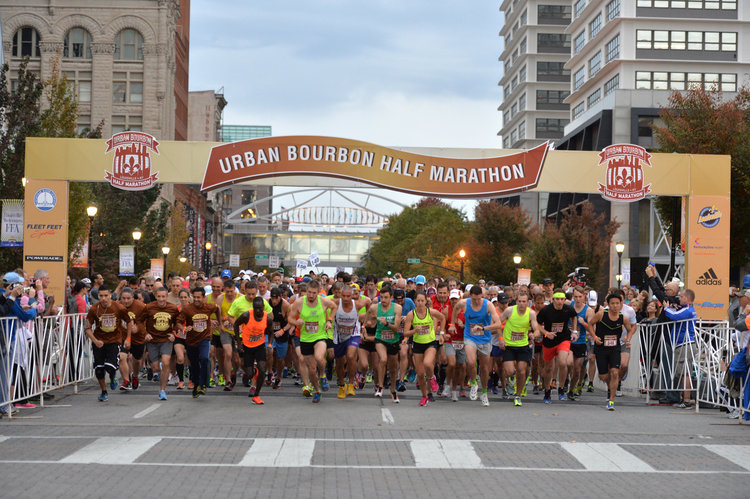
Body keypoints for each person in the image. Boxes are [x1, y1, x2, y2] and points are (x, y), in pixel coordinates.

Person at [450, 285, 502, 407]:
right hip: (470, 336)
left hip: (484, 338)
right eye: (474, 299)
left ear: (482, 297)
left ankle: (484, 392)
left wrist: (484, 328)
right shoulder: (464, 303)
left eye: (479, 299)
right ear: (470, 296)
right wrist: (451, 324)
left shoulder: (488, 305)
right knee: (471, 362)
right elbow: (455, 309)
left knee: (484, 368)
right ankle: (474, 383)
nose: (477, 301)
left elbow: (498, 324)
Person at [287, 280, 337, 403]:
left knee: (319, 358)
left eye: (313, 293)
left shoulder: (323, 301)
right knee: (312, 370)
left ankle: (323, 376)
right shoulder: (299, 303)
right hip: (305, 338)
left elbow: (334, 306)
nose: (310, 295)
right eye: (309, 292)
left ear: (318, 292)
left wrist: (329, 320)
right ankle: (317, 391)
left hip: (319, 336)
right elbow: (290, 318)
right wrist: (296, 322)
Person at [84, 285, 133, 402]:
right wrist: (95, 341)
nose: (104, 298)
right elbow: (87, 327)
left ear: (110, 295)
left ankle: (112, 376)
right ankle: (104, 391)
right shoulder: (94, 309)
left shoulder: (119, 308)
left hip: (114, 341)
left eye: (106, 295)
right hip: (99, 342)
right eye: (101, 296)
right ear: (98, 297)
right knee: (99, 370)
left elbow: (129, 322)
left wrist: (128, 338)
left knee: (110, 367)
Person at [589, 290, 635, 411]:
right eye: (612, 303)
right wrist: (594, 337)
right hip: (601, 348)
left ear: (621, 304)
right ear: (608, 304)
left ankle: (611, 400)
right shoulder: (601, 314)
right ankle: (611, 387)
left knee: (615, 372)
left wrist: (628, 338)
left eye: (617, 303)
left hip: (615, 348)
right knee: (604, 376)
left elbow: (630, 330)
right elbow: (590, 324)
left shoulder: (623, 318)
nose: (615, 306)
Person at [497, 290, 540, 406]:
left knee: (521, 371)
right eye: (519, 301)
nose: (521, 304)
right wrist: (501, 338)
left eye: (524, 301)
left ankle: (518, 395)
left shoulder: (531, 313)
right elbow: (497, 324)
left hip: (523, 346)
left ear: (527, 302)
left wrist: (533, 334)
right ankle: (511, 379)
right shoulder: (509, 311)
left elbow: (536, 328)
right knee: (510, 371)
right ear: (516, 302)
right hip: (509, 345)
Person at [403, 292, 446, 406]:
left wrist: (441, 334)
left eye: (422, 301)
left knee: (428, 363)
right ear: (415, 302)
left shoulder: (430, 312)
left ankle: (432, 378)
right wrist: (415, 330)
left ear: (426, 301)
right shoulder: (411, 314)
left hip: (430, 343)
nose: (420, 303)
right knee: (421, 374)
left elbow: (442, 317)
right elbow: (405, 332)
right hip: (417, 344)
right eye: (418, 301)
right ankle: (424, 396)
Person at [536, 288, 578, 403]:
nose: (560, 301)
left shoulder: (568, 309)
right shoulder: (546, 310)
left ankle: (561, 389)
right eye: (557, 299)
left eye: (562, 299)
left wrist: (574, 331)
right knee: (548, 368)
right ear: (553, 300)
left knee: (563, 362)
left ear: (565, 300)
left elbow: (574, 316)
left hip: (563, 338)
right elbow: (538, 324)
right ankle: (547, 391)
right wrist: (546, 333)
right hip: (549, 340)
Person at [178, 287, 221, 398]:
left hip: (205, 338)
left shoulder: (209, 307)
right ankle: (197, 384)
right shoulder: (187, 309)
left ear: (204, 297)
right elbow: (179, 322)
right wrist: (184, 328)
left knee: (205, 358)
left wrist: (219, 323)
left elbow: (218, 309)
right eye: (195, 297)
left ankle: (203, 384)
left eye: (199, 297)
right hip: (191, 341)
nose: (196, 299)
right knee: (194, 364)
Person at [143, 287, 180, 400]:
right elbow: (141, 322)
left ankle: (162, 390)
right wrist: (145, 333)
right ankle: (156, 369)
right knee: (155, 367)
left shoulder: (173, 308)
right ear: (155, 296)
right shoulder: (149, 307)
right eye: (159, 296)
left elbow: (177, 323)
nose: (161, 299)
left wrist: (174, 333)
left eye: (163, 296)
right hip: (152, 339)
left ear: (167, 297)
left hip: (166, 339)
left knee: (165, 362)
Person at [663, 288, 698, 409]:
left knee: (685, 373)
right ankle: (685, 399)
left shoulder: (688, 310)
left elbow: (674, 316)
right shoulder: (688, 309)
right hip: (682, 344)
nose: (679, 298)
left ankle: (687, 400)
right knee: (683, 372)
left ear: (687, 298)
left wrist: (666, 308)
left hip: (685, 344)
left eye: (681, 296)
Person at [367, 284, 402, 399]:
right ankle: (380, 387)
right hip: (380, 338)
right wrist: (365, 326)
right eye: (381, 297)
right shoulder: (375, 307)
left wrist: (386, 323)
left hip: (393, 339)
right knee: (383, 359)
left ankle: (392, 389)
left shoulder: (397, 308)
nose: (383, 300)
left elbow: (396, 328)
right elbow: (366, 317)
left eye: (386, 297)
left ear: (391, 297)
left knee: (392, 367)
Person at [332, 285, 367, 399]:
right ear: (340, 295)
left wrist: (365, 324)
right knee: (339, 362)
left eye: (348, 296)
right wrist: (327, 320)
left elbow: (370, 303)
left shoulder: (357, 304)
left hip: (353, 334)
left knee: (351, 356)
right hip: (339, 335)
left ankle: (351, 384)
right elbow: (321, 303)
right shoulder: (336, 303)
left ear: (352, 295)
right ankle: (342, 385)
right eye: (343, 296)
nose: (346, 299)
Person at [118, 287, 147, 390]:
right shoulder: (117, 305)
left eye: (128, 298)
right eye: (123, 298)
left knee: (137, 361)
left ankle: (135, 376)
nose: (126, 301)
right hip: (123, 336)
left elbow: (145, 321)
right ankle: (126, 380)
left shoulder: (140, 306)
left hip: (137, 337)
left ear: (133, 298)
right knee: (122, 357)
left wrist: (138, 327)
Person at [568, 287, 593, 400]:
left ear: (584, 296)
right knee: (569, 364)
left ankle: (571, 389)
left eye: (580, 297)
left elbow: (593, 330)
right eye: (575, 297)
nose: (578, 299)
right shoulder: (569, 306)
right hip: (568, 341)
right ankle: (565, 383)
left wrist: (584, 324)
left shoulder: (588, 311)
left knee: (577, 370)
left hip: (581, 342)